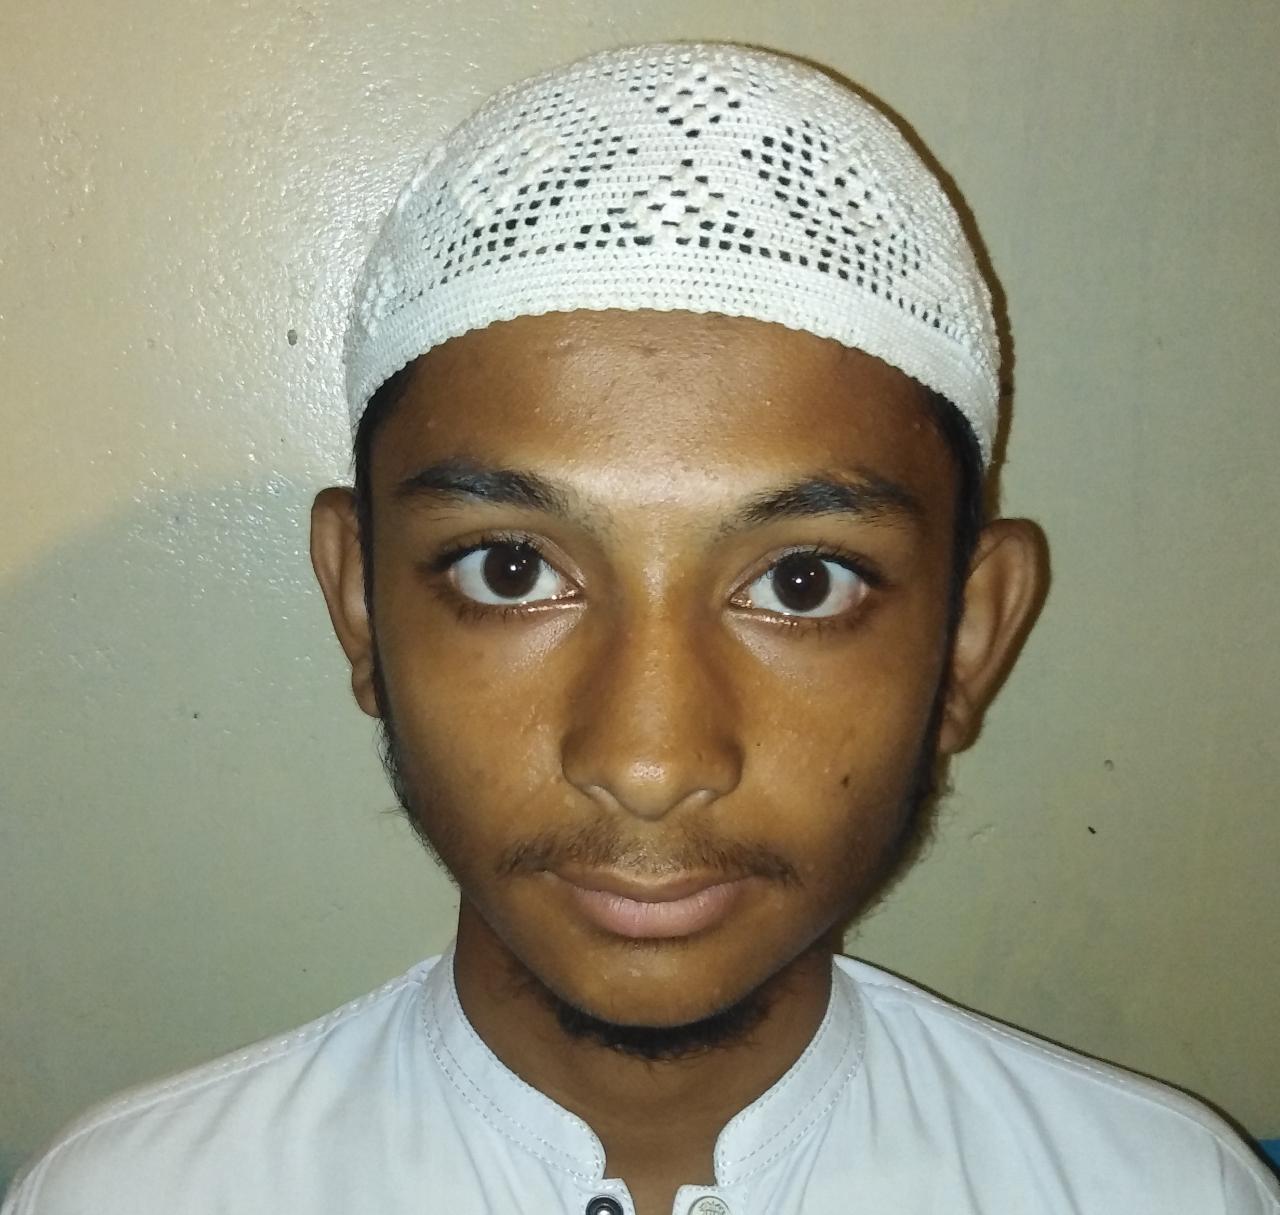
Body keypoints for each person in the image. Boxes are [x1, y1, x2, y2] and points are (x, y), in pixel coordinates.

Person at [4, 41, 1276, 1215]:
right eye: (511, 570)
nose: (651, 762)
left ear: (967, 638)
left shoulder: (1163, 1193)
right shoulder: (125, 1198)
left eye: (801, 584)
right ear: (358, 602)